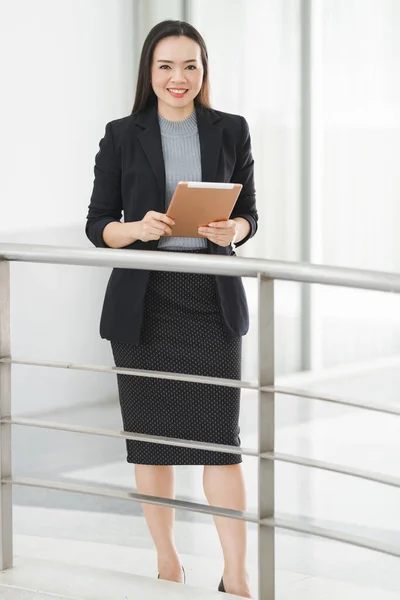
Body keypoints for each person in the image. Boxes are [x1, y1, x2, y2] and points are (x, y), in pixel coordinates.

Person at [85, 19, 257, 598]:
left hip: (210, 300)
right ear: (149, 72)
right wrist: (134, 229)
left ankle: (236, 574)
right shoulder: (121, 134)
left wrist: (233, 226)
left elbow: (250, 213)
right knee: (151, 439)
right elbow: (96, 227)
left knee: (220, 441)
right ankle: (167, 562)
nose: (178, 77)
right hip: (145, 306)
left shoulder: (230, 129)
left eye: (190, 66)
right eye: (166, 66)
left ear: (203, 71)